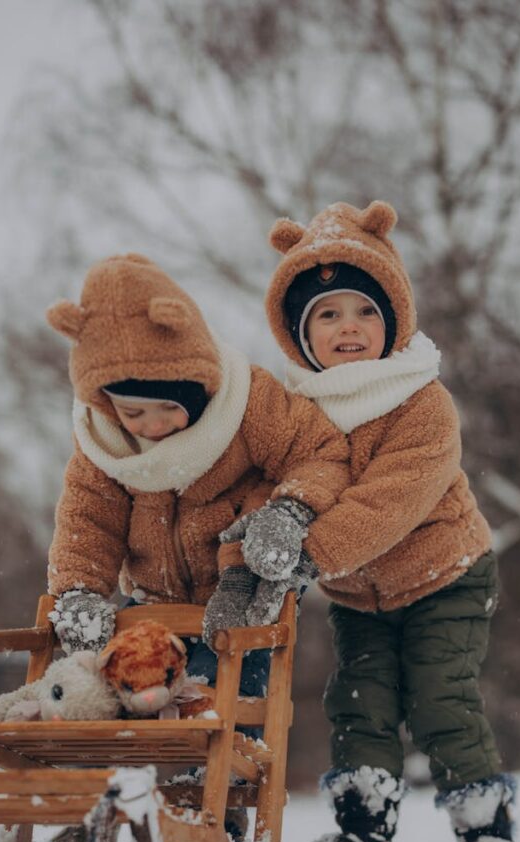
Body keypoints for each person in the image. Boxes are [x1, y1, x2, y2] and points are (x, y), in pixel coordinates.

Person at [230, 200, 520, 842]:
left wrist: (305, 555)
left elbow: (389, 500)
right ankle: (363, 834)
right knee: (358, 701)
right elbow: (276, 478)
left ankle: (486, 835)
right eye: (327, 316)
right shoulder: (299, 409)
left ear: (392, 319)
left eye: (364, 311)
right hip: (358, 593)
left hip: (445, 573)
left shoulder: (421, 401)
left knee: (438, 698)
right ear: (298, 333)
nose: (348, 329)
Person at [45, 251, 349, 716]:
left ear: (196, 385)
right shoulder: (102, 445)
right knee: (133, 691)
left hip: (239, 583)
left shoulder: (248, 402)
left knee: (223, 687)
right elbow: (89, 520)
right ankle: (134, 777)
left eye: (168, 406)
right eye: (133, 413)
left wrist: (288, 512)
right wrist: (79, 590)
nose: (152, 425)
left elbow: (319, 452)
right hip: (150, 599)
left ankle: (227, 767)